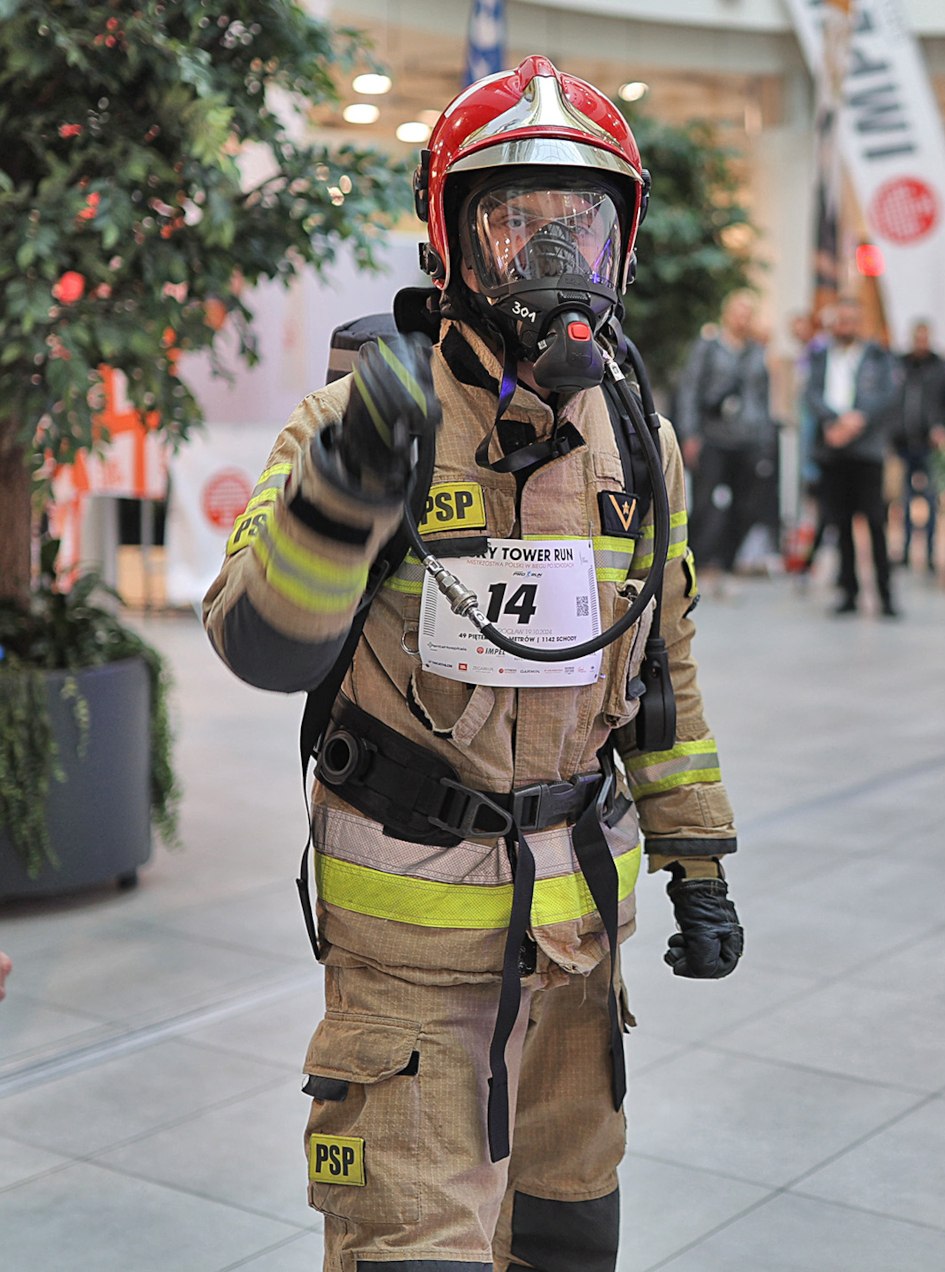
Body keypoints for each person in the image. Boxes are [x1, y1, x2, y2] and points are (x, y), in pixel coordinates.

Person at [202, 56, 745, 1272]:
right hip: (410, 959)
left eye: (581, 227)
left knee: (564, 1238)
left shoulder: (638, 443)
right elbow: (258, 640)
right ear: (452, 240)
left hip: (578, 944)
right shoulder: (364, 417)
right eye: (516, 223)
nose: (552, 261)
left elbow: (662, 671)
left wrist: (699, 859)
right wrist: (342, 491)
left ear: (622, 244)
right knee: (414, 1248)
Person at [805, 296, 901, 616]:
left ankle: (885, 594)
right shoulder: (821, 357)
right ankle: (848, 591)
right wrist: (832, 421)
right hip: (832, 448)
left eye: (851, 320)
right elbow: (812, 393)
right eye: (841, 320)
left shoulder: (877, 356)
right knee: (840, 522)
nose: (846, 326)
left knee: (874, 521)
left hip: (867, 449)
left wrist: (858, 419)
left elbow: (888, 395)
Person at [677, 289, 776, 589]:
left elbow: (763, 399)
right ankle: (702, 562)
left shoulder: (758, 352)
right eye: (739, 311)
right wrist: (689, 433)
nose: (743, 318)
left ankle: (729, 561)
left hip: (748, 440)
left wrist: (766, 440)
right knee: (708, 503)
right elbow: (690, 390)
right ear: (727, 313)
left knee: (746, 504)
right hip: (713, 438)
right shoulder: (708, 348)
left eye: (749, 312)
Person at [893, 319, 945, 571]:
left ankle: (931, 551)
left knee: (931, 498)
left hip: (930, 445)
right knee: (904, 499)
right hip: (904, 442)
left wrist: (944, 428)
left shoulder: (941, 369)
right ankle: (906, 548)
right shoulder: (901, 366)